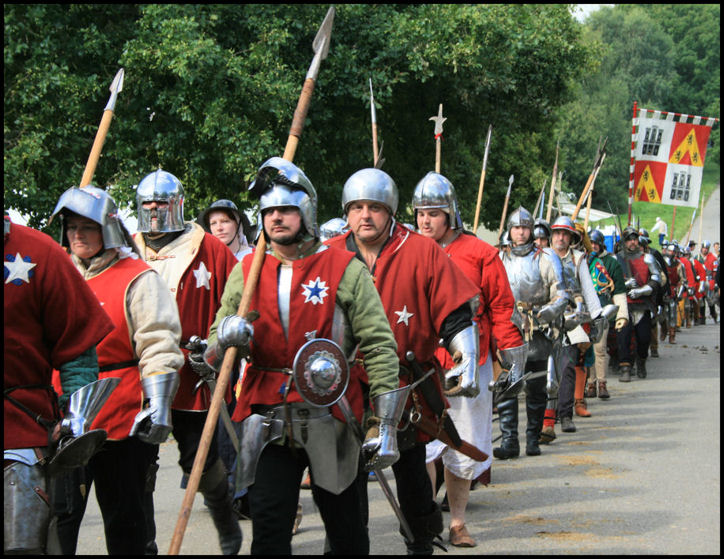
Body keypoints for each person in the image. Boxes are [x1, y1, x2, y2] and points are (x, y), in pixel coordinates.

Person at [202, 157, 400, 555]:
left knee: (347, 537)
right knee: (270, 536)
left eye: (286, 209)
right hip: (267, 419)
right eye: (269, 211)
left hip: (334, 416)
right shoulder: (247, 270)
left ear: (305, 211)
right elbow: (212, 350)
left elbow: (379, 345)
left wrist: (386, 424)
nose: (277, 218)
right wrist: (227, 336)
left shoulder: (344, 267)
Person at [326, 167, 481, 553]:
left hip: (405, 386)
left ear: (391, 210)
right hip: (346, 389)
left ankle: (421, 544)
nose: (366, 215)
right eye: (357, 207)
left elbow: (455, 313)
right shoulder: (326, 256)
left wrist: (466, 354)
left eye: (375, 207)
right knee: (345, 484)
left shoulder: (422, 251)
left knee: (413, 483)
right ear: (346, 212)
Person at [47, 185, 185, 554]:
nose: (77, 234)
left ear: (107, 230)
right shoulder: (54, 275)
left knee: (127, 523)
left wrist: (159, 403)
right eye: (72, 226)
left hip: (122, 415)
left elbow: (158, 343)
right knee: (57, 519)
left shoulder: (138, 278)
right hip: (62, 417)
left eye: (87, 227)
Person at [412, 173, 525, 548]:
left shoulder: (480, 253)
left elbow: (501, 307)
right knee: (421, 442)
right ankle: (424, 515)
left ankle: (457, 521)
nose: (425, 221)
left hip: (468, 361)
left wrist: (511, 355)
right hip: (420, 363)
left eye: (433, 213)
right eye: (420, 213)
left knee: (461, 442)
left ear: (450, 214)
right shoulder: (407, 251)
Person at [132, 169, 241, 554]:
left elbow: (238, 306)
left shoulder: (210, 248)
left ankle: (226, 522)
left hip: (193, 370)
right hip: (139, 375)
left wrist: (213, 350)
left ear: (177, 205)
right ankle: (144, 544)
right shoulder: (128, 249)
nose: (155, 211)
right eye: (148, 204)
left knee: (200, 457)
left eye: (162, 203)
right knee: (138, 466)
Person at [4, 214, 114, 554]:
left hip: (19, 431)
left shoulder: (39, 252)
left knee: (24, 547)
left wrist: (75, 417)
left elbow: (78, 350)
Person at [496, 207, 569, 451]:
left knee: (536, 386)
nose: (520, 232)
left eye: (524, 228)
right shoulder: (499, 258)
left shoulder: (546, 257)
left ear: (531, 230)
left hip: (537, 327)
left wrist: (550, 310)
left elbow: (561, 293)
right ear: (510, 230)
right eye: (516, 228)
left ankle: (534, 437)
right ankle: (509, 441)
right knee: (508, 384)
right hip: (508, 327)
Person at [549, 216, 603, 432]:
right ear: (552, 235)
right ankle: (545, 418)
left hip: (570, 319)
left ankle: (565, 415)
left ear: (571, 237)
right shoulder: (541, 256)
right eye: (557, 233)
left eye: (565, 234)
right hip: (543, 318)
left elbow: (588, 290)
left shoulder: (578, 259)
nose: (561, 237)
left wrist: (597, 316)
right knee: (543, 371)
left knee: (567, 367)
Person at [614, 227, 663, 381]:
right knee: (623, 338)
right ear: (624, 242)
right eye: (629, 239)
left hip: (642, 304)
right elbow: (610, 281)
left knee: (643, 338)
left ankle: (641, 361)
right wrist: (625, 283)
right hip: (624, 304)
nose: (632, 242)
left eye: (635, 239)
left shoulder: (647, 258)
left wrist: (642, 291)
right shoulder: (617, 260)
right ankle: (625, 368)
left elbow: (657, 279)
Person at [586, 230, 629, 399]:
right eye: (591, 243)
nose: (594, 246)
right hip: (585, 310)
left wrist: (622, 314)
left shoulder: (611, 263)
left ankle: (602, 383)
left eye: (596, 242)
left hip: (602, 310)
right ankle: (590, 384)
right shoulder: (583, 261)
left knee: (600, 348)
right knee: (587, 349)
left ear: (602, 243)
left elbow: (618, 291)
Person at [661, 242, 687, 343]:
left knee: (672, 314)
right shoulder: (661, 263)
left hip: (673, 291)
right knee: (661, 314)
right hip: (662, 290)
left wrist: (679, 293)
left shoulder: (680, 265)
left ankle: (672, 335)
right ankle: (664, 329)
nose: (672, 253)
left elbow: (683, 281)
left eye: (673, 251)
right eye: (670, 251)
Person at [694, 240, 719, 323]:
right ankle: (701, 317)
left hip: (709, 281)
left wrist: (715, 282)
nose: (705, 250)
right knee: (700, 299)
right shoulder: (697, 257)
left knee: (709, 299)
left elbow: (715, 271)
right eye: (704, 248)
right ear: (701, 248)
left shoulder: (713, 258)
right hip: (700, 280)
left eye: (706, 248)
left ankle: (713, 314)